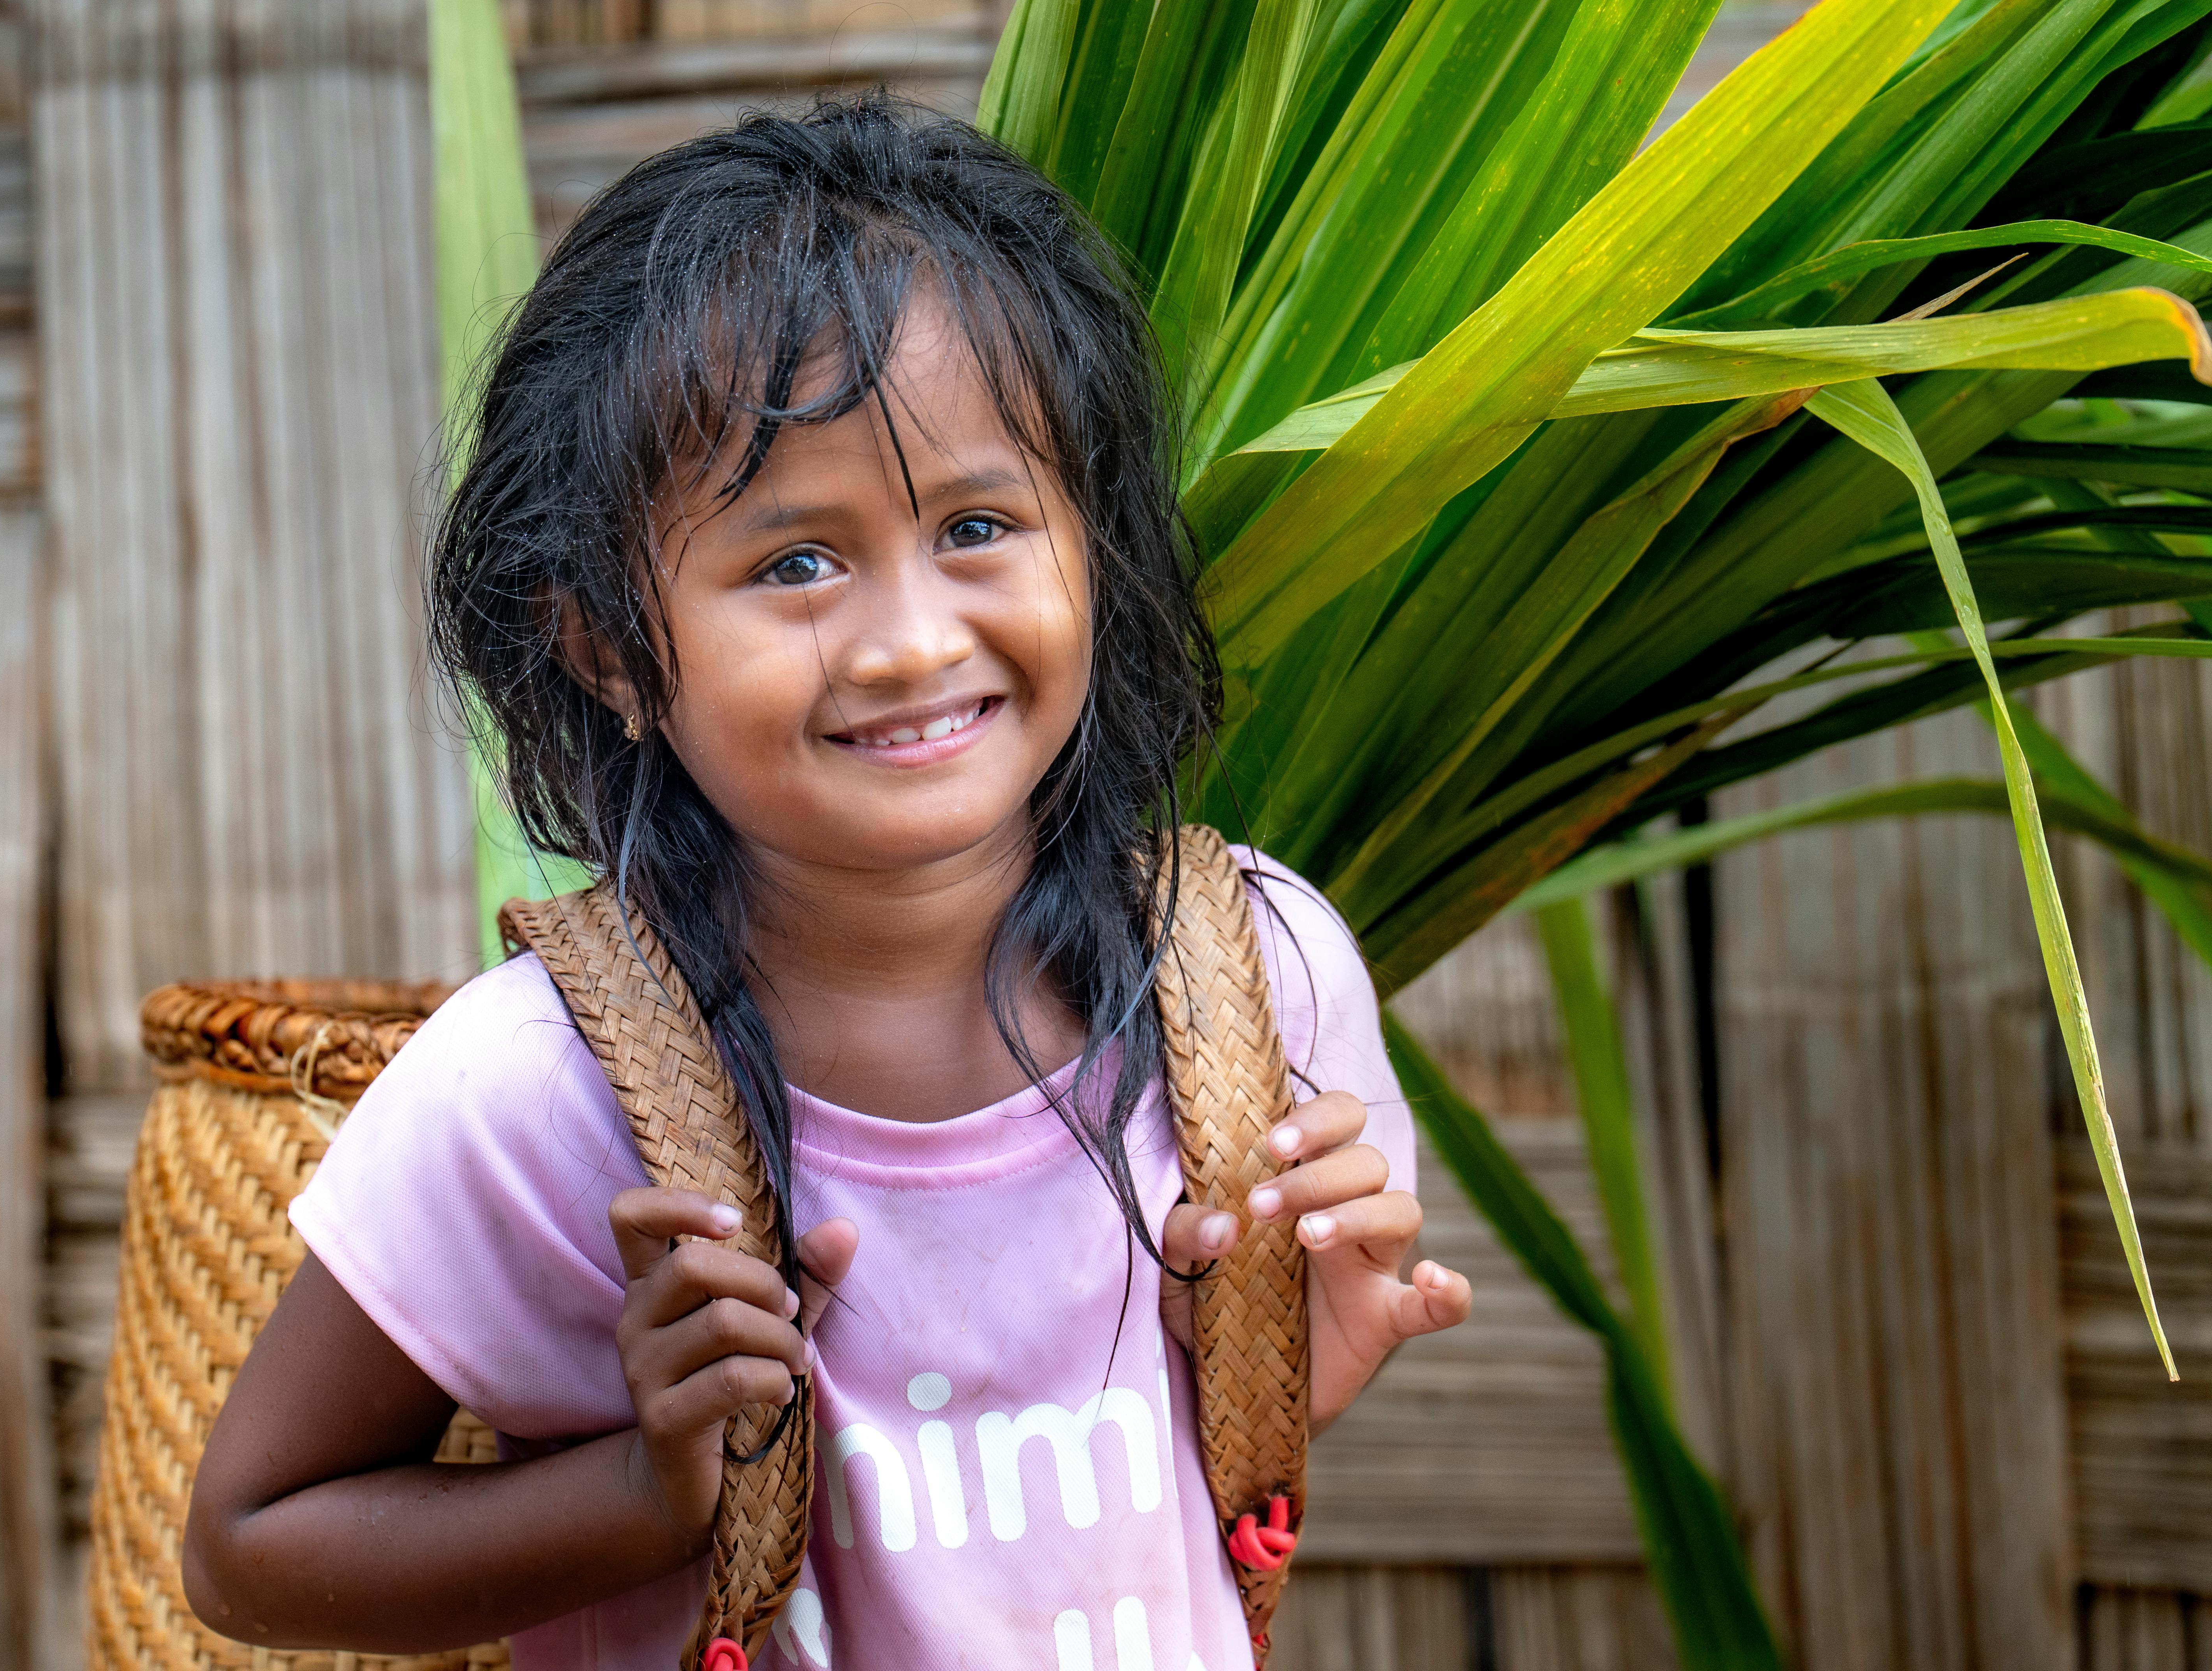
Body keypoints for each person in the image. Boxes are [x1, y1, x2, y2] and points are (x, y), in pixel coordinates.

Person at [181, 92, 1472, 1670]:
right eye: (796, 562)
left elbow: (1140, 1486)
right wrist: (650, 1495)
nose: (914, 639)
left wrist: (1292, 1358)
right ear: (601, 646)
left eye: (981, 523)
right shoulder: (536, 1097)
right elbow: (250, 1549)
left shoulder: (1259, 982)